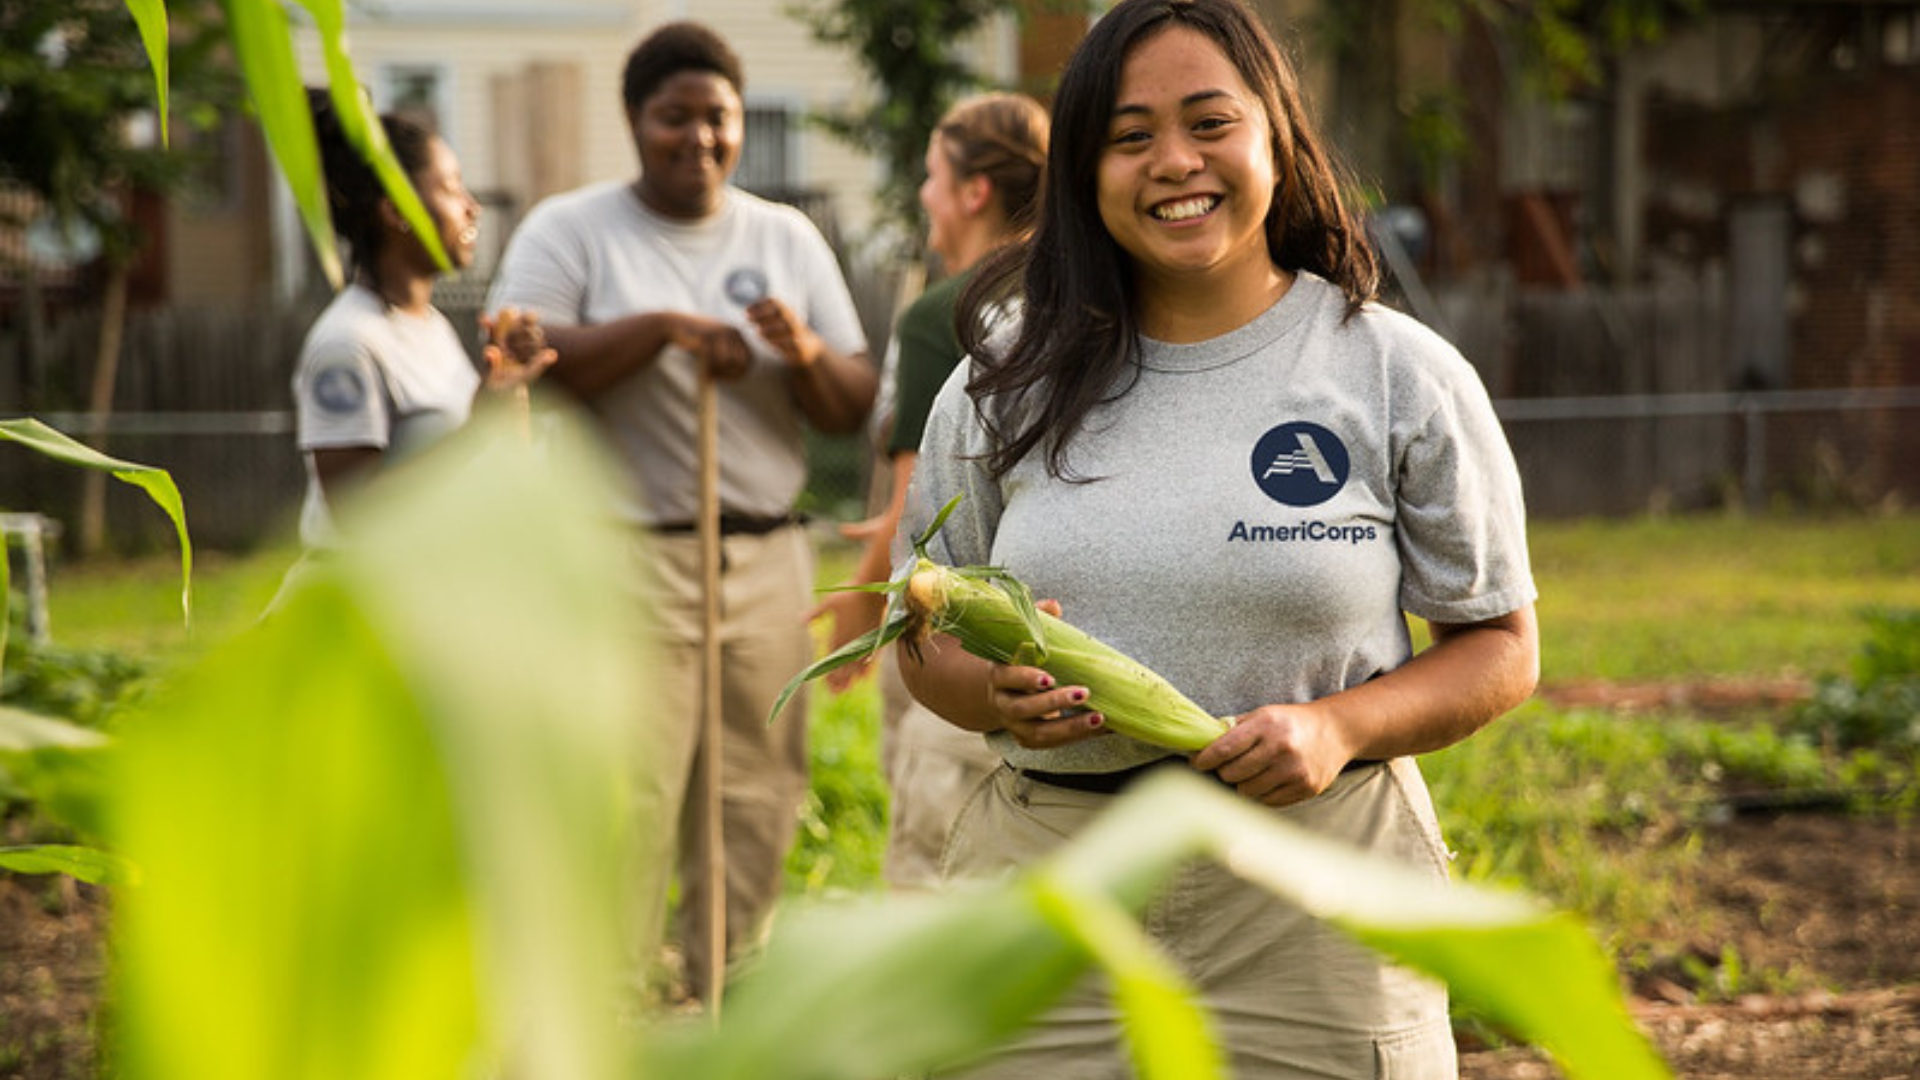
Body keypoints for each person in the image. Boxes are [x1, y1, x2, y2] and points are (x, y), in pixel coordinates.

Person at [896, 1, 1540, 1077]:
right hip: (1052, 877)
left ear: (1276, 143)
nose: (1174, 163)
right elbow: (918, 624)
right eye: (1131, 135)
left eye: (1209, 123)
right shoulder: (1002, 381)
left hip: (1317, 887)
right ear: (1086, 172)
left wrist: (1338, 727)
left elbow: (1500, 647)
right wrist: (982, 691)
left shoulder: (1393, 374)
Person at [482, 22, 874, 1002]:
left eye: (718, 118)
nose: (697, 138)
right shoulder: (571, 229)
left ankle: (723, 994)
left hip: (764, 557)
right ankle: (603, 1007)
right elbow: (526, 352)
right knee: (630, 787)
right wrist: (660, 329)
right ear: (634, 121)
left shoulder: (783, 237)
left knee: (756, 789)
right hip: (628, 556)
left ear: (740, 124)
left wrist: (801, 351)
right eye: (674, 118)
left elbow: (852, 401)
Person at [811, 93, 1049, 889]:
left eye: (931, 176)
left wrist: (859, 595)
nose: (923, 195)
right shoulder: (1079, 294)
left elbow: (924, 498)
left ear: (974, 191)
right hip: (1054, 628)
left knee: (933, 858)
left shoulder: (942, 314)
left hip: (957, 634)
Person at [286, 89, 552, 575]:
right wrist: (476, 426)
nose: (472, 207)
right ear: (396, 211)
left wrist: (506, 385)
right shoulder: (348, 344)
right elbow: (355, 516)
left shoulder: (433, 329)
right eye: (451, 188)